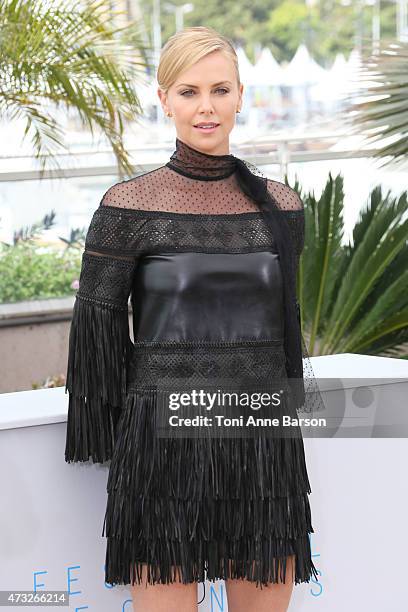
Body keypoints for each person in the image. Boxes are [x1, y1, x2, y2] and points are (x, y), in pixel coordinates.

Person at [64, 25, 319, 612]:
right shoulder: (126, 206)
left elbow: (285, 329)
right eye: (188, 92)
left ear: (240, 95)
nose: (206, 107)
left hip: (261, 444)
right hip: (160, 448)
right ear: (164, 100)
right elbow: (98, 337)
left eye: (219, 90)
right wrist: (110, 440)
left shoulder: (283, 207)